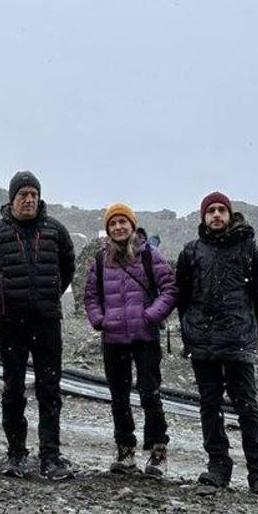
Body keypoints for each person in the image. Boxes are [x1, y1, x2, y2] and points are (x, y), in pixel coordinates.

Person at [0, 171, 75, 480]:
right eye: (23, 195)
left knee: (49, 389)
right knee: (12, 390)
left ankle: (50, 455)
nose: (29, 199)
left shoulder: (56, 232)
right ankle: (16, 454)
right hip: (9, 324)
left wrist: (46, 296)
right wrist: (3, 301)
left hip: (46, 322)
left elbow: (67, 268)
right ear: (12, 198)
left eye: (33, 194)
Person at [176, 192, 258, 497]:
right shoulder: (192, 252)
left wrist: (250, 333)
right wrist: (190, 330)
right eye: (211, 211)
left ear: (230, 215)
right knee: (209, 406)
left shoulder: (250, 249)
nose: (216, 215)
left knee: (248, 408)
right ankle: (218, 466)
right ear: (203, 216)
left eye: (221, 210)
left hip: (238, 344)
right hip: (203, 344)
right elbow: (182, 296)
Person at [84, 203, 177, 476]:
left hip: (145, 337)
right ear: (108, 229)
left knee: (150, 394)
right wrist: (99, 319)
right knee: (119, 397)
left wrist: (150, 316)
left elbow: (170, 289)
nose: (118, 227)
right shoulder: (101, 260)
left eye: (123, 222)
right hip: (113, 339)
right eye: (113, 223)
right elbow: (91, 296)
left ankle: (157, 451)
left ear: (133, 225)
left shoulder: (150, 255)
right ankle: (125, 450)